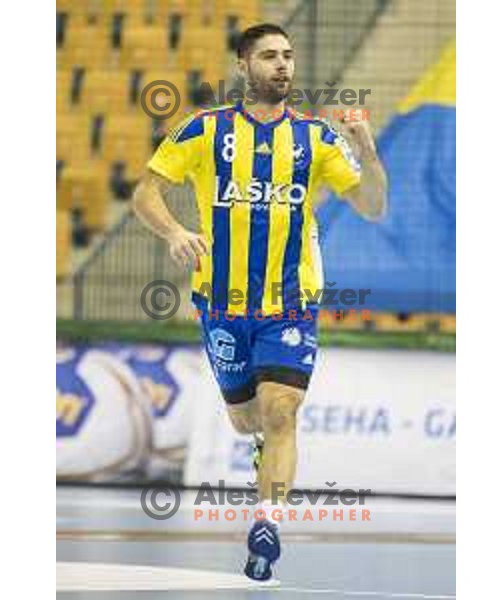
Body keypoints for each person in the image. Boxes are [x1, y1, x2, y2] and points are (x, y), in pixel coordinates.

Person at [133, 22, 387, 581]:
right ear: (244, 66)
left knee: (281, 411)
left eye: (288, 56)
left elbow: (371, 206)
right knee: (246, 419)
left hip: (289, 302)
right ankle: (258, 455)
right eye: (269, 56)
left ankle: (267, 522)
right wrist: (176, 233)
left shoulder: (316, 138)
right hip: (220, 304)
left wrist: (368, 156)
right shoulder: (204, 130)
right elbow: (144, 192)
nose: (283, 65)